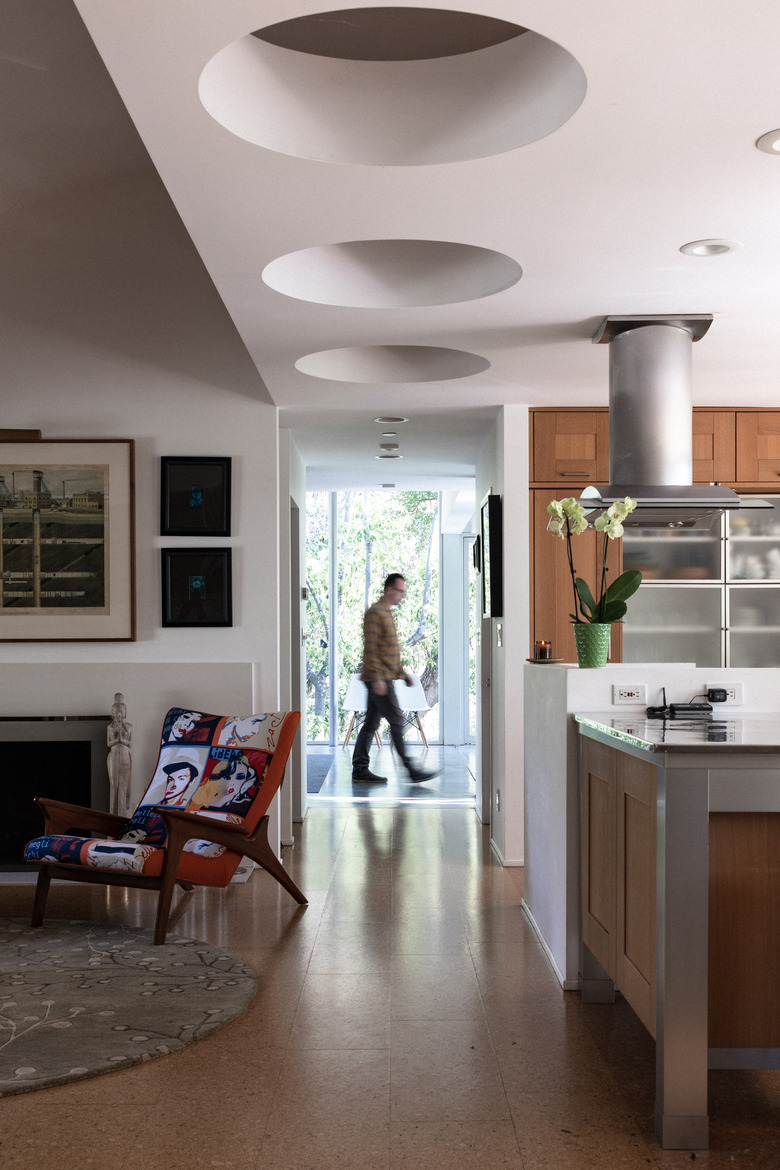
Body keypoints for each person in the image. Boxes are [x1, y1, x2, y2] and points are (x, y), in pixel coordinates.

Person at [352, 573, 437, 784]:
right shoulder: (375, 613)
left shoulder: (386, 613)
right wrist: (379, 678)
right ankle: (411, 770)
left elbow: (388, 649)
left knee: (371, 723)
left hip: (382, 677)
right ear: (389, 589)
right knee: (397, 720)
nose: (403, 596)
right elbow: (371, 648)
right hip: (378, 679)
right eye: (401, 591)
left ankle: (360, 769)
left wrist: (402, 673)